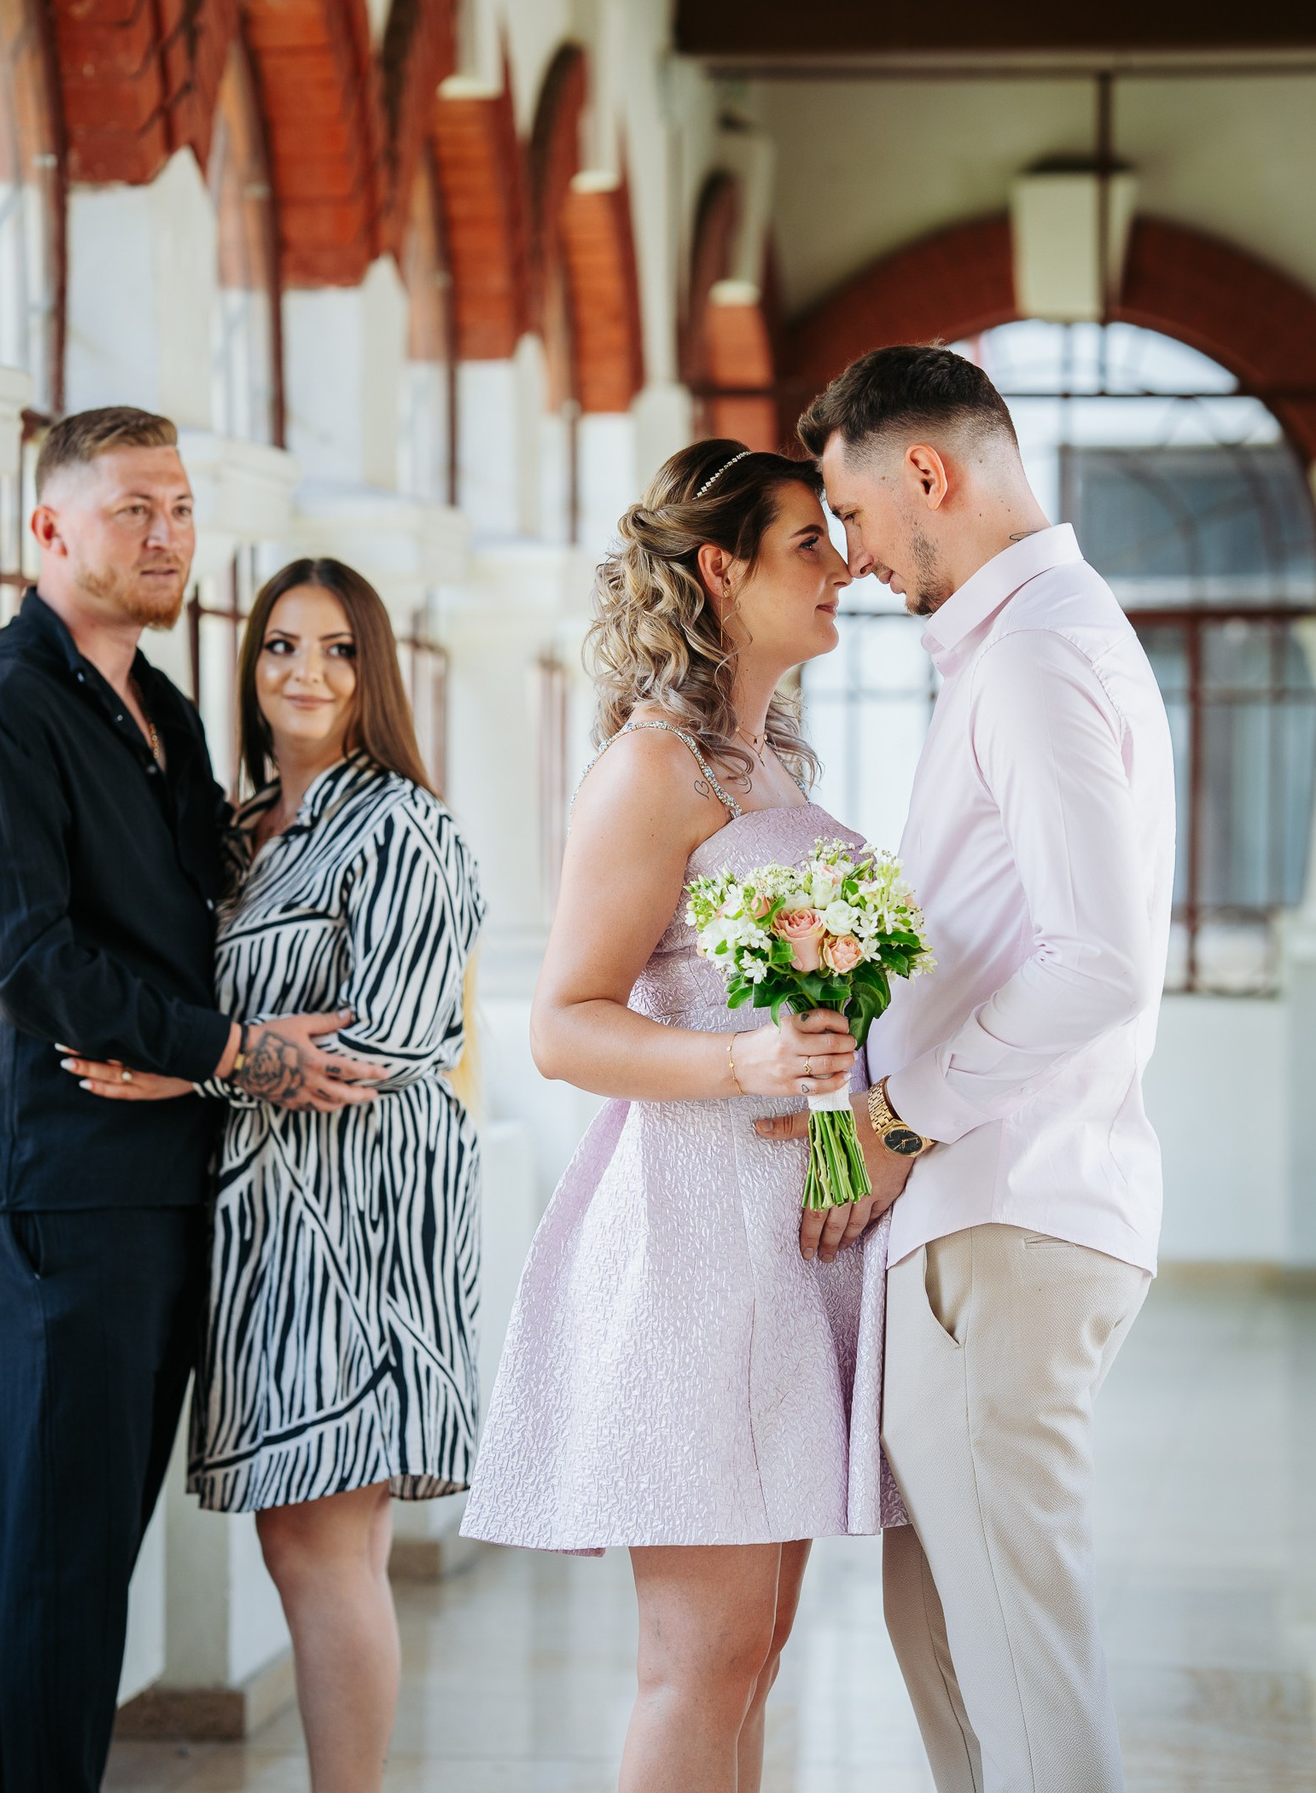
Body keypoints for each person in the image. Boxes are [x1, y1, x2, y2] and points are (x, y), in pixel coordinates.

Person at [0, 407, 389, 1793]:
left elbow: (202, 917)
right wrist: (231, 1050)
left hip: (156, 1166)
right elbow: (27, 961)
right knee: (64, 1560)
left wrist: (202, 1045)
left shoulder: (162, 707)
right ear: (47, 530)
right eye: (133, 508)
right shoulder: (4, 710)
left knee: (81, 1556)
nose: (168, 533)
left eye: (179, 506)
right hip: (62, 1182)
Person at [459, 438, 894, 1793]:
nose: (844, 568)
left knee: (754, 1656)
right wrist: (746, 1070)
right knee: (697, 1662)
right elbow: (564, 1019)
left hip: (794, 1249)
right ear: (722, 567)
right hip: (696, 1255)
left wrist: (854, 1126)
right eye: (809, 545)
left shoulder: (766, 763)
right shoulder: (653, 768)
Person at [777, 343, 1176, 1793]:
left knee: (1019, 1655)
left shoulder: (1033, 651)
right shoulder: (1031, 643)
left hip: (1007, 1214)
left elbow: (1101, 961)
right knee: (940, 1624)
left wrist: (893, 1119)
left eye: (854, 515)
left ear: (926, 475)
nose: (852, 556)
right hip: (992, 1211)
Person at [64, 557, 487, 1793]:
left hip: (363, 1220)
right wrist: (242, 1061)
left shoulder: (404, 825)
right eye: (281, 647)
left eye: (339, 649)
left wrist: (186, 1072)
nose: (307, 672)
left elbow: (387, 1048)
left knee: (322, 1545)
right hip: (258, 1216)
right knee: (297, 1538)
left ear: (373, 673)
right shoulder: (239, 831)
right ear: (248, 670)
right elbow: (278, 1036)